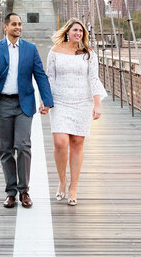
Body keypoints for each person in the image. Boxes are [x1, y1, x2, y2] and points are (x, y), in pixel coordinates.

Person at [0, 12, 54, 209]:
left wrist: (46, 100)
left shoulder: (30, 49)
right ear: (6, 27)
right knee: (5, 149)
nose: (18, 27)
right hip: (2, 103)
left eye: (20, 24)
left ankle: (24, 191)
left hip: (24, 104)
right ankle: (10, 192)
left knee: (22, 146)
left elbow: (40, 75)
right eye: (14, 24)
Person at [45, 17, 106, 206]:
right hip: (60, 100)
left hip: (82, 101)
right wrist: (46, 102)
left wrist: (97, 104)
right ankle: (62, 181)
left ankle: (73, 188)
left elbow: (94, 79)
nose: (78, 33)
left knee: (77, 143)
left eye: (81, 31)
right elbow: (49, 77)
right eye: (75, 30)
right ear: (67, 32)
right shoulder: (54, 51)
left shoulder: (89, 53)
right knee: (60, 142)